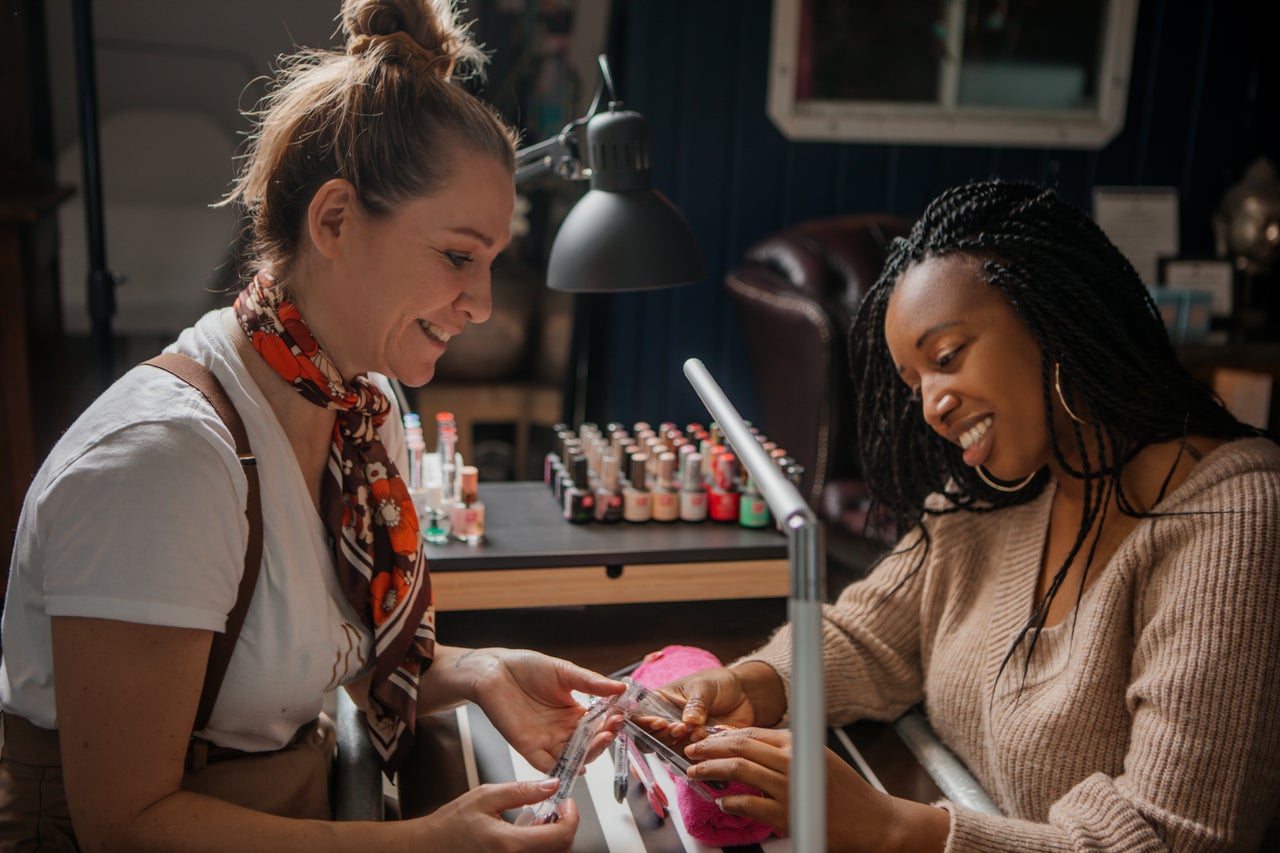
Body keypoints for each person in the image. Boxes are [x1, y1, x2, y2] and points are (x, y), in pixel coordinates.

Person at [0, 0, 624, 849]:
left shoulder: (359, 410)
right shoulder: (163, 463)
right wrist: (425, 843)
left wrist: (477, 671)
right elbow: (126, 823)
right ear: (332, 221)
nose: (480, 304)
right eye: (456, 256)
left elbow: (293, 663)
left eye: (492, 263)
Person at [650, 180, 1280, 851]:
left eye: (946, 357)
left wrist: (887, 826)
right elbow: (873, 633)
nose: (931, 405)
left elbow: (1168, 837)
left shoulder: (1234, 521)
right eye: (915, 382)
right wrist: (755, 682)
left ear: (1053, 314)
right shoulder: (994, 494)